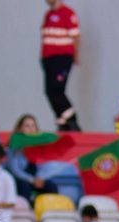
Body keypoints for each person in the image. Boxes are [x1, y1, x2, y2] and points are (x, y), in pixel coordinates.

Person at [41, 0, 81, 131]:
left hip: (62, 58)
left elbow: (76, 37)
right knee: (49, 91)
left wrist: (76, 56)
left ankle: (72, 120)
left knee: (57, 90)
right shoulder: (48, 14)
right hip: (48, 59)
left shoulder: (67, 13)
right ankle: (62, 121)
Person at [7, 114, 60, 204]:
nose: (31, 129)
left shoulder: (40, 144)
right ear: (20, 128)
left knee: (52, 186)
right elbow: (15, 170)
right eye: (27, 126)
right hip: (22, 179)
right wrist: (31, 179)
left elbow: (44, 165)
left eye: (33, 126)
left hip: (37, 178)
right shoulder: (14, 145)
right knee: (24, 187)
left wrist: (40, 177)